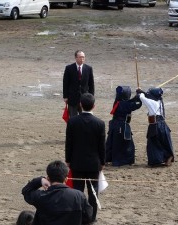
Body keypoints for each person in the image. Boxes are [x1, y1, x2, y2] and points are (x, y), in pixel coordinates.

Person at [65, 93, 106, 222]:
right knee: (93, 192)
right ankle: (91, 217)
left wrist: (68, 160)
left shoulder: (72, 121)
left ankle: (77, 216)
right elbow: (102, 146)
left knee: (77, 192)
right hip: (93, 163)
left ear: (80, 105)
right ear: (94, 106)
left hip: (77, 162)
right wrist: (102, 162)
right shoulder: (100, 123)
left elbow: (69, 143)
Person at [21, 160, 93, 225]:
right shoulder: (79, 196)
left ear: (48, 178)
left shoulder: (41, 196)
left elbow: (26, 191)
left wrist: (40, 180)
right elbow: (88, 217)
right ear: (66, 179)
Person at [137, 87, 174, 167]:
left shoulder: (152, 102)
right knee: (162, 142)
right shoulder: (159, 100)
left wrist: (139, 92)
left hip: (155, 125)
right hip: (162, 124)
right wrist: (142, 91)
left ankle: (158, 160)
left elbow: (142, 97)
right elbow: (148, 96)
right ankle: (167, 156)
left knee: (153, 142)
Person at [106, 86, 142, 166]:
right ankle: (122, 161)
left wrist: (137, 96)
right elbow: (138, 105)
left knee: (113, 142)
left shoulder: (117, 102)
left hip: (114, 125)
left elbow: (130, 101)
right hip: (122, 127)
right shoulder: (125, 105)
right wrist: (139, 96)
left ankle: (109, 158)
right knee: (126, 144)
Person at [63, 50, 94, 118]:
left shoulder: (88, 68)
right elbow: (65, 83)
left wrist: (92, 97)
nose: (82, 59)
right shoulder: (69, 68)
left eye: (83, 57)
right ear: (76, 58)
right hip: (72, 98)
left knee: (85, 118)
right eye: (80, 57)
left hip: (85, 98)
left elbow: (91, 84)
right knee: (73, 118)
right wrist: (65, 96)